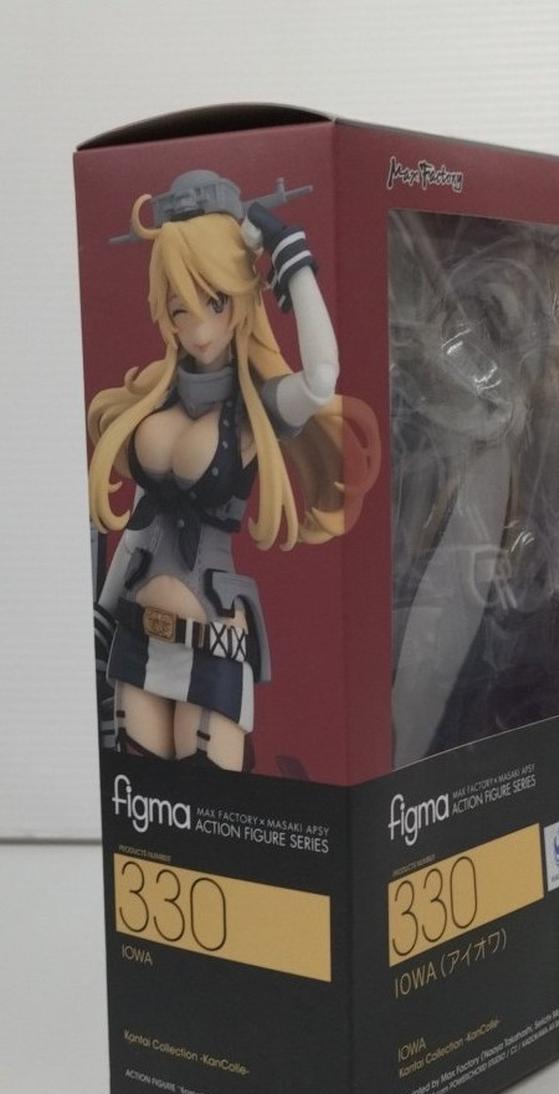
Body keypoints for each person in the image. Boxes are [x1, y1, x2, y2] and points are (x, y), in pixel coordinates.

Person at [88, 171, 379, 770]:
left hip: (214, 639)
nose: (198, 328)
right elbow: (142, 525)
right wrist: (101, 617)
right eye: (180, 307)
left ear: (239, 298)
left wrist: (288, 251)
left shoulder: (253, 409)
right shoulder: (154, 399)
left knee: (212, 802)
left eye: (214, 302)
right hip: (137, 635)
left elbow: (321, 379)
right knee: (139, 795)